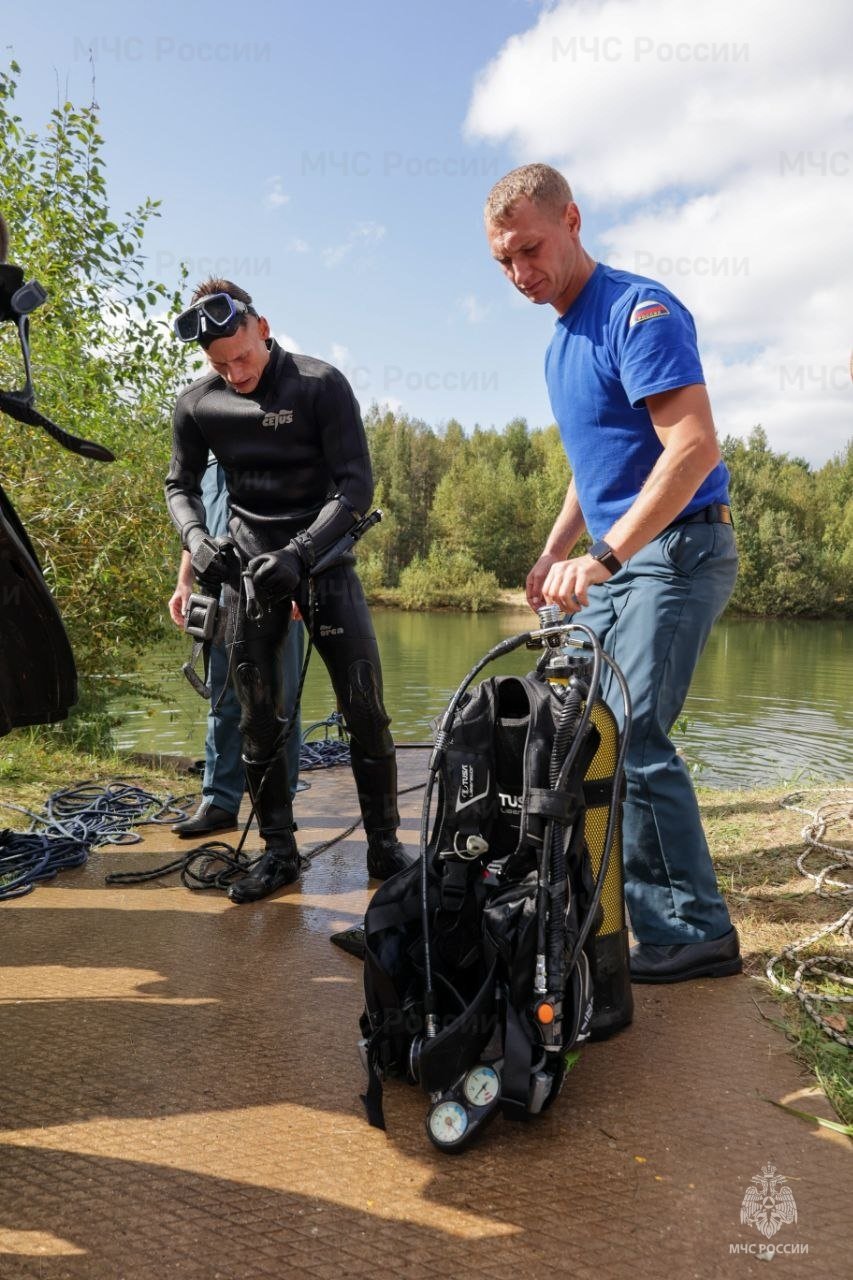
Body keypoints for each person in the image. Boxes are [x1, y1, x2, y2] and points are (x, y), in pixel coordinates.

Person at [484, 163, 741, 984]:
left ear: (571, 220)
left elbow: (692, 445)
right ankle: (592, 903)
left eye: (530, 249)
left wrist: (601, 556)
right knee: (573, 731)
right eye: (504, 262)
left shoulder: (638, 309)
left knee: (630, 734)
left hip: (678, 547)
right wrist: (555, 548)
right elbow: (590, 467)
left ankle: (692, 932)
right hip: (620, 557)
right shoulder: (561, 343)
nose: (522, 273)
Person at [165, 278, 411, 903]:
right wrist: (197, 543)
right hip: (250, 573)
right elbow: (180, 486)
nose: (236, 372)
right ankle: (280, 852)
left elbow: (357, 488)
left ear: (262, 327)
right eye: (220, 364)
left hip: (323, 564)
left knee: (364, 709)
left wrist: (300, 555)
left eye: (243, 356)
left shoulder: (319, 385)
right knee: (257, 717)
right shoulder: (198, 405)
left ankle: (384, 844)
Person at [167, 455, 305, 836]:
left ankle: (279, 806)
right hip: (220, 596)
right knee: (223, 701)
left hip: (274, 594)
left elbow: (303, 521)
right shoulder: (206, 465)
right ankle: (219, 802)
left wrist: (300, 583)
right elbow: (192, 532)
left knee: (280, 704)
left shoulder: (277, 451)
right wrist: (184, 584)